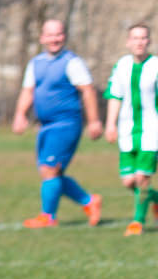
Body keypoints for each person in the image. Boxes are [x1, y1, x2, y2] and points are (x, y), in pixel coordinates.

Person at [12, 19, 103, 228]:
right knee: (50, 172)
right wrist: (20, 114)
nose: (55, 39)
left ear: (64, 36)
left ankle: (48, 217)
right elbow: (28, 90)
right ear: (42, 38)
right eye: (50, 35)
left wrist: (94, 121)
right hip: (45, 125)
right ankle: (89, 201)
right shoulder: (36, 63)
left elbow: (87, 90)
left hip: (66, 123)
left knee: (49, 168)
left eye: (59, 34)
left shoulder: (72, 62)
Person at [103, 23, 158, 236]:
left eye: (143, 38)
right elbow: (114, 96)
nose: (139, 42)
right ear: (128, 42)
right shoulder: (121, 66)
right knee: (129, 181)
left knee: (142, 178)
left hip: (153, 130)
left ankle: (137, 222)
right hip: (127, 130)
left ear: (149, 41)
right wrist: (110, 124)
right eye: (135, 38)